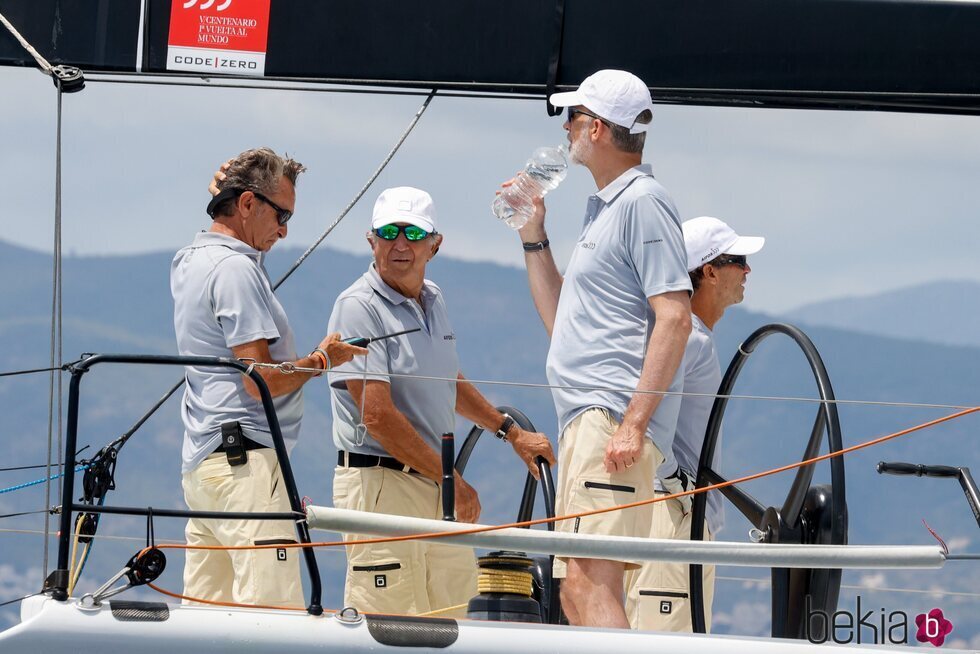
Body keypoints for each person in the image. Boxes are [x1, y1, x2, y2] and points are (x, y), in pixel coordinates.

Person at [510, 69, 693, 628]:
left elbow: (676, 316)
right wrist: (532, 234)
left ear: (594, 128)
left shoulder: (643, 202)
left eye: (571, 117)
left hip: (606, 417)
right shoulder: (613, 207)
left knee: (589, 586)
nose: (564, 129)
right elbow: (562, 324)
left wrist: (634, 423)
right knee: (578, 589)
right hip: (591, 418)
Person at [327, 186, 556, 617]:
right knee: (388, 627)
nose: (400, 244)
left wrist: (510, 433)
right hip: (382, 487)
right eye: (388, 232)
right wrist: (452, 479)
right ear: (370, 240)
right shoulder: (357, 306)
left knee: (452, 620)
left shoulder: (434, 299)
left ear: (435, 244)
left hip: (433, 483)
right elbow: (376, 416)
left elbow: (447, 381)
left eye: (412, 233)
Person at [172, 147, 365, 607]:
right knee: (269, 610)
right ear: (246, 204)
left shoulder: (189, 259)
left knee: (205, 616)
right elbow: (261, 381)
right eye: (281, 215)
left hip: (204, 462)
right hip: (246, 465)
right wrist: (323, 358)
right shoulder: (236, 269)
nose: (283, 230)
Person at [625, 216, 765, 631]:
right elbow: (643, 417)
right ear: (709, 271)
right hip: (674, 517)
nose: (748, 270)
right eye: (739, 261)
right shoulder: (690, 339)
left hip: (674, 516)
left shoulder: (688, 336)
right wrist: (677, 484)